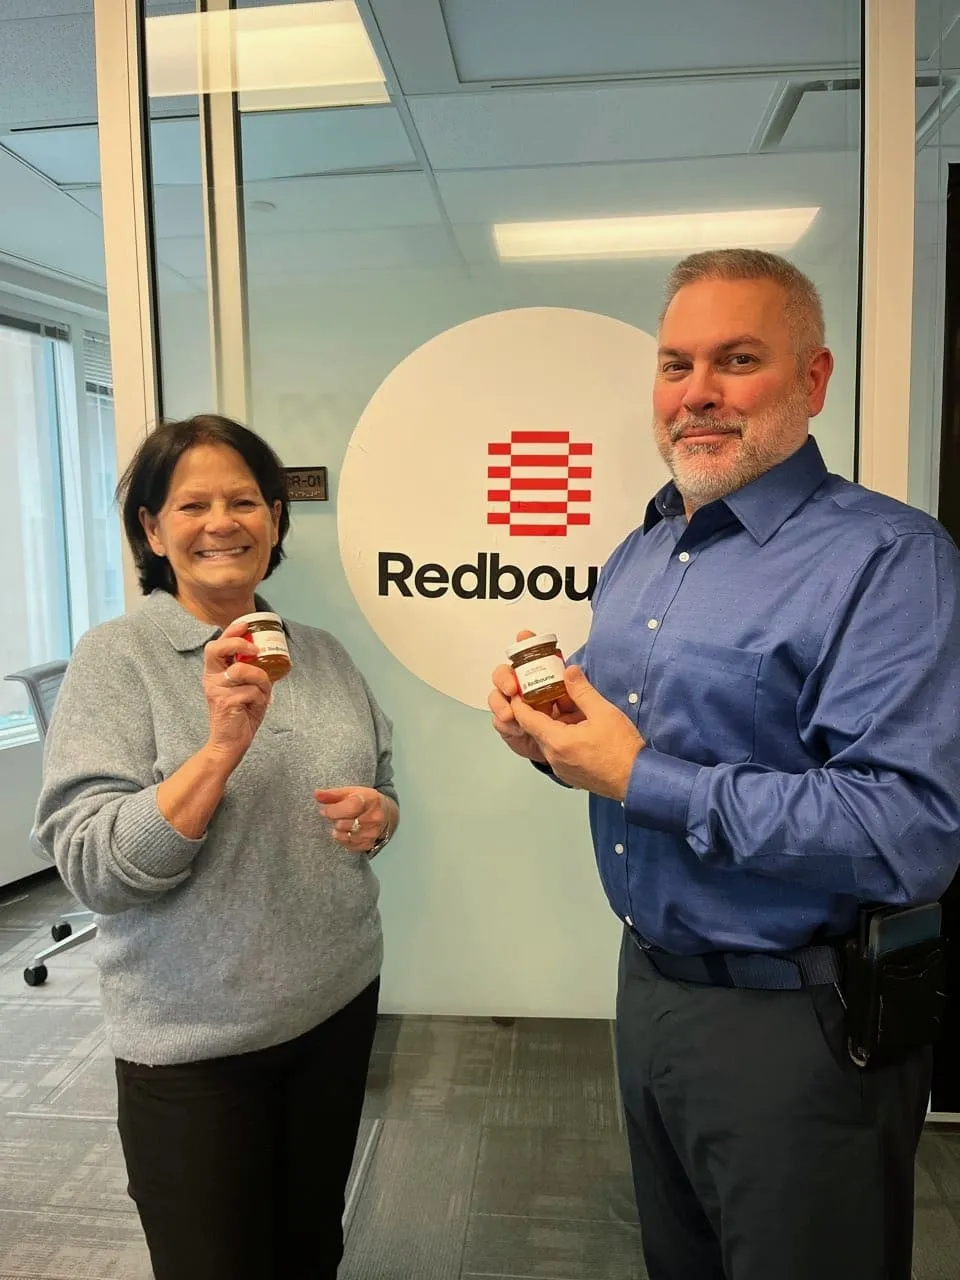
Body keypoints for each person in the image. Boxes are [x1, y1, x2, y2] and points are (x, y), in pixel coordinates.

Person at [488, 249, 960, 1280]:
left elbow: (909, 832)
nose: (697, 392)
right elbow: (609, 752)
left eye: (737, 359)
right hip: (649, 985)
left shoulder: (887, 559)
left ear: (813, 379)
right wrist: (548, 738)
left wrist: (639, 772)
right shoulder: (642, 551)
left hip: (799, 1018)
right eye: (675, 364)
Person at [36, 414, 398, 1280]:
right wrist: (218, 750)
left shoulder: (323, 654)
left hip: (334, 1003)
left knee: (311, 1243)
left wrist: (379, 815)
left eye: (245, 500)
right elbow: (91, 866)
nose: (222, 521)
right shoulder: (118, 659)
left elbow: (382, 780)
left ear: (275, 519)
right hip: (194, 1041)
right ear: (153, 531)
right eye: (191, 504)